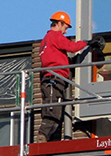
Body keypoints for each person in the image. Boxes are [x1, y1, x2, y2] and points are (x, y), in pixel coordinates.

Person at [36, 11, 103, 143]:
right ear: (59, 23)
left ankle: (48, 143)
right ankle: (42, 139)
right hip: (54, 79)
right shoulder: (55, 36)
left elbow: (59, 58)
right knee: (52, 112)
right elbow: (71, 47)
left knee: (54, 112)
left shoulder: (46, 41)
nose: (66, 32)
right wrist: (87, 43)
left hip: (51, 80)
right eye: (66, 27)